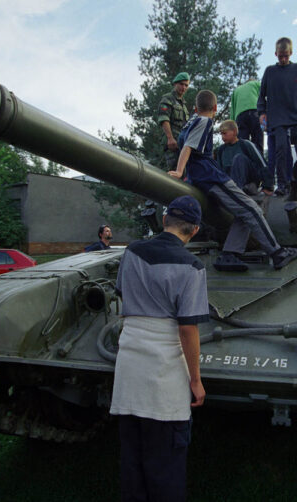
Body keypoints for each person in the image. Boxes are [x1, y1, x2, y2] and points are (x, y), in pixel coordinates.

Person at [110, 195, 207, 502]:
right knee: (165, 459)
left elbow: (123, 295)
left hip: (129, 360)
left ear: (164, 220)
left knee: (132, 453)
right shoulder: (192, 266)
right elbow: (187, 327)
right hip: (164, 367)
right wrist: (195, 380)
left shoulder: (132, 251)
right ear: (194, 231)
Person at [169, 89, 297, 271]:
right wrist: (179, 170)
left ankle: (230, 254)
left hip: (200, 178)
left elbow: (186, 146)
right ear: (215, 107)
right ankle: (278, 253)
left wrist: (184, 173)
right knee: (253, 209)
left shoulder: (189, 122)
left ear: (196, 108)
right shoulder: (205, 121)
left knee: (243, 212)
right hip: (211, 177)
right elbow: (189, 147)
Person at [257, 37, 297, 197]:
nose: (284, 59)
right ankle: (283, 184)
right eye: (280, 56)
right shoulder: (270, 71)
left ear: (291, 53)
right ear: (275, 54)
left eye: (286, 55)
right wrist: (262, 112)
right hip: (277, 115)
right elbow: (262, 95)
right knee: (281, 148)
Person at [215, 120, 273, 196]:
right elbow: (219, 171)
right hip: (231, 184)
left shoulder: (246, 144)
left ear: (235, 132)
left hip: (249, 179)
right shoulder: (221, 150)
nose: (222, 137)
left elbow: (262, 164)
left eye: (225, 133)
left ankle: (241, 190)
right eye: (221, 134)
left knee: (239, 159)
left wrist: (267, 186)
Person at [157, 72, 191, 170]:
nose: (183, 87)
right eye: (181, 84)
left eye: (186, 85)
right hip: (172, 144)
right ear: (175, 84)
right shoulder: (168, 98)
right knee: (173, 172)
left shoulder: (183, 104)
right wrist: (170, 138)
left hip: (182, 145)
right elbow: (164, 119)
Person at [229, 79, 263, 154]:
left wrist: (231, 126)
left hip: (240, 116)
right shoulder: (256, 83)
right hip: (255, 111)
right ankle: (259, 161)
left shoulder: (236, 90)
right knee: (257, 139)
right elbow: (264, 95)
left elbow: (232, 110)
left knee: (242, 142)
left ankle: (243, 161)